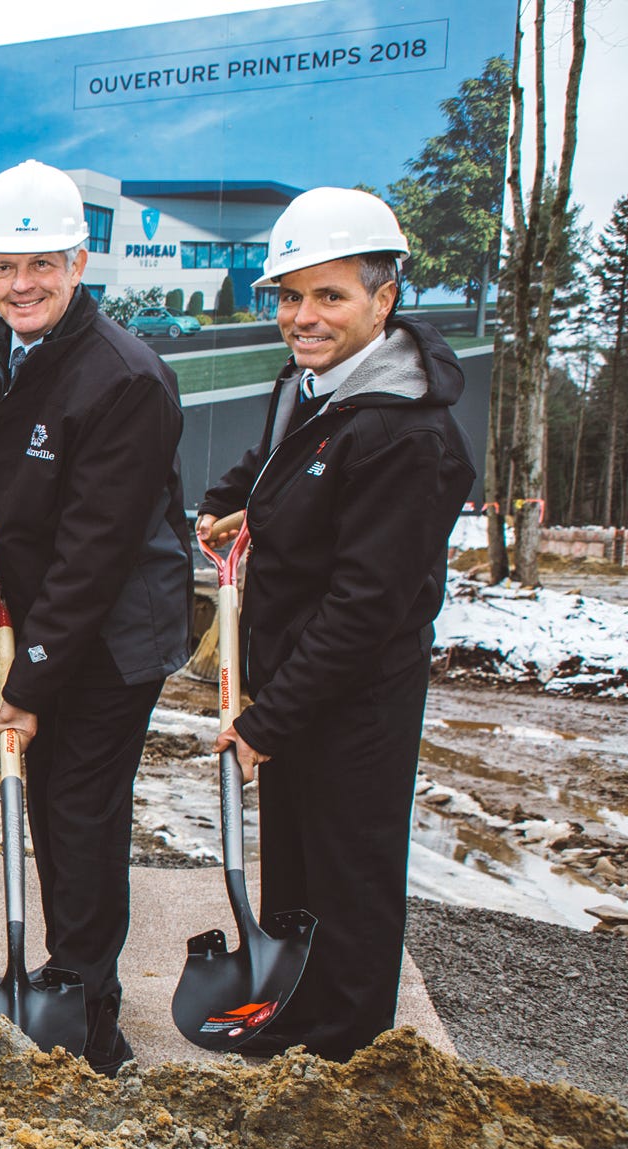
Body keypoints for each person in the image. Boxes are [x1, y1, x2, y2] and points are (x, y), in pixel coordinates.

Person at [197, 187, 474, 1062]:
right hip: (288, 680)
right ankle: (290, 1022)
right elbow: (270, 465)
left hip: (353, 699)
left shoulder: (405, 437)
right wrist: (227, 504)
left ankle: (346, 1058)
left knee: (348, 877)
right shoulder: (312, 386)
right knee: (297, 872)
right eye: (289, 296)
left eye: (330, 296)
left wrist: (269, 720)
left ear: (382, 300)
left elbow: (367, 606)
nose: (303, 316)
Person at [0, 159, 193, 1075]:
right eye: (7, 267)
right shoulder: (13, 356)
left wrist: (26, 685)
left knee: (81, 819)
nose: (22, 284)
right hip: (54, 619)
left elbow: (98, 550)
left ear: (80, 262)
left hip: (111, 638)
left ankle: (91, 1021)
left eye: (42, 265)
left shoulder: (124, 379)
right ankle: (71, 983)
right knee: (56, 820)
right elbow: (34, 503)